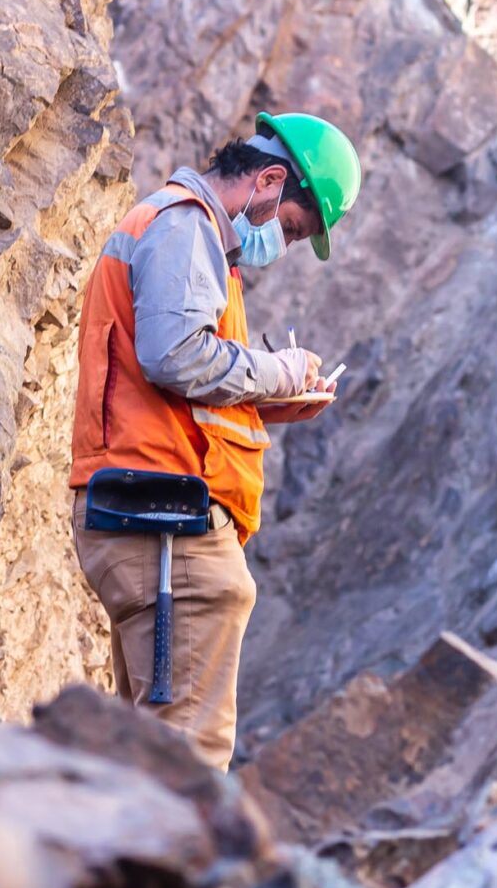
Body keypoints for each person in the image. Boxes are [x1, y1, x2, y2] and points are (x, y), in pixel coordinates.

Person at [67, 111, 362, 767]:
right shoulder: (185, 224)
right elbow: (173, 354)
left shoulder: (187, 234)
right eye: (289, 227)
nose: (280, 245)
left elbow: (179, 390)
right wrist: (276, 370)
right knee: (184, 760)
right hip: (163, 520)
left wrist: (277, 398)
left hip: (152, 511)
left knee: (147, 754)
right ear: (269, 180)